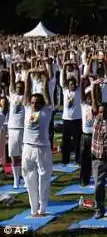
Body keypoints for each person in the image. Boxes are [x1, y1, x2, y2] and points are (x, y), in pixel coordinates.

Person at [22, 69, 54, 218]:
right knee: (29, 178)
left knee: (43, 178)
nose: (34, 104)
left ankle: (42, 208)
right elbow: (27, 90)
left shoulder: (47, 110)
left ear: (41, 103)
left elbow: (46, 92)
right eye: (33, 102)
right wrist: (28, 74)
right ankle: (33, 209)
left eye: (37, 103)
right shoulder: (27, 108)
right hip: (27, 147)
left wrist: (45, 76)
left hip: (42, 149)